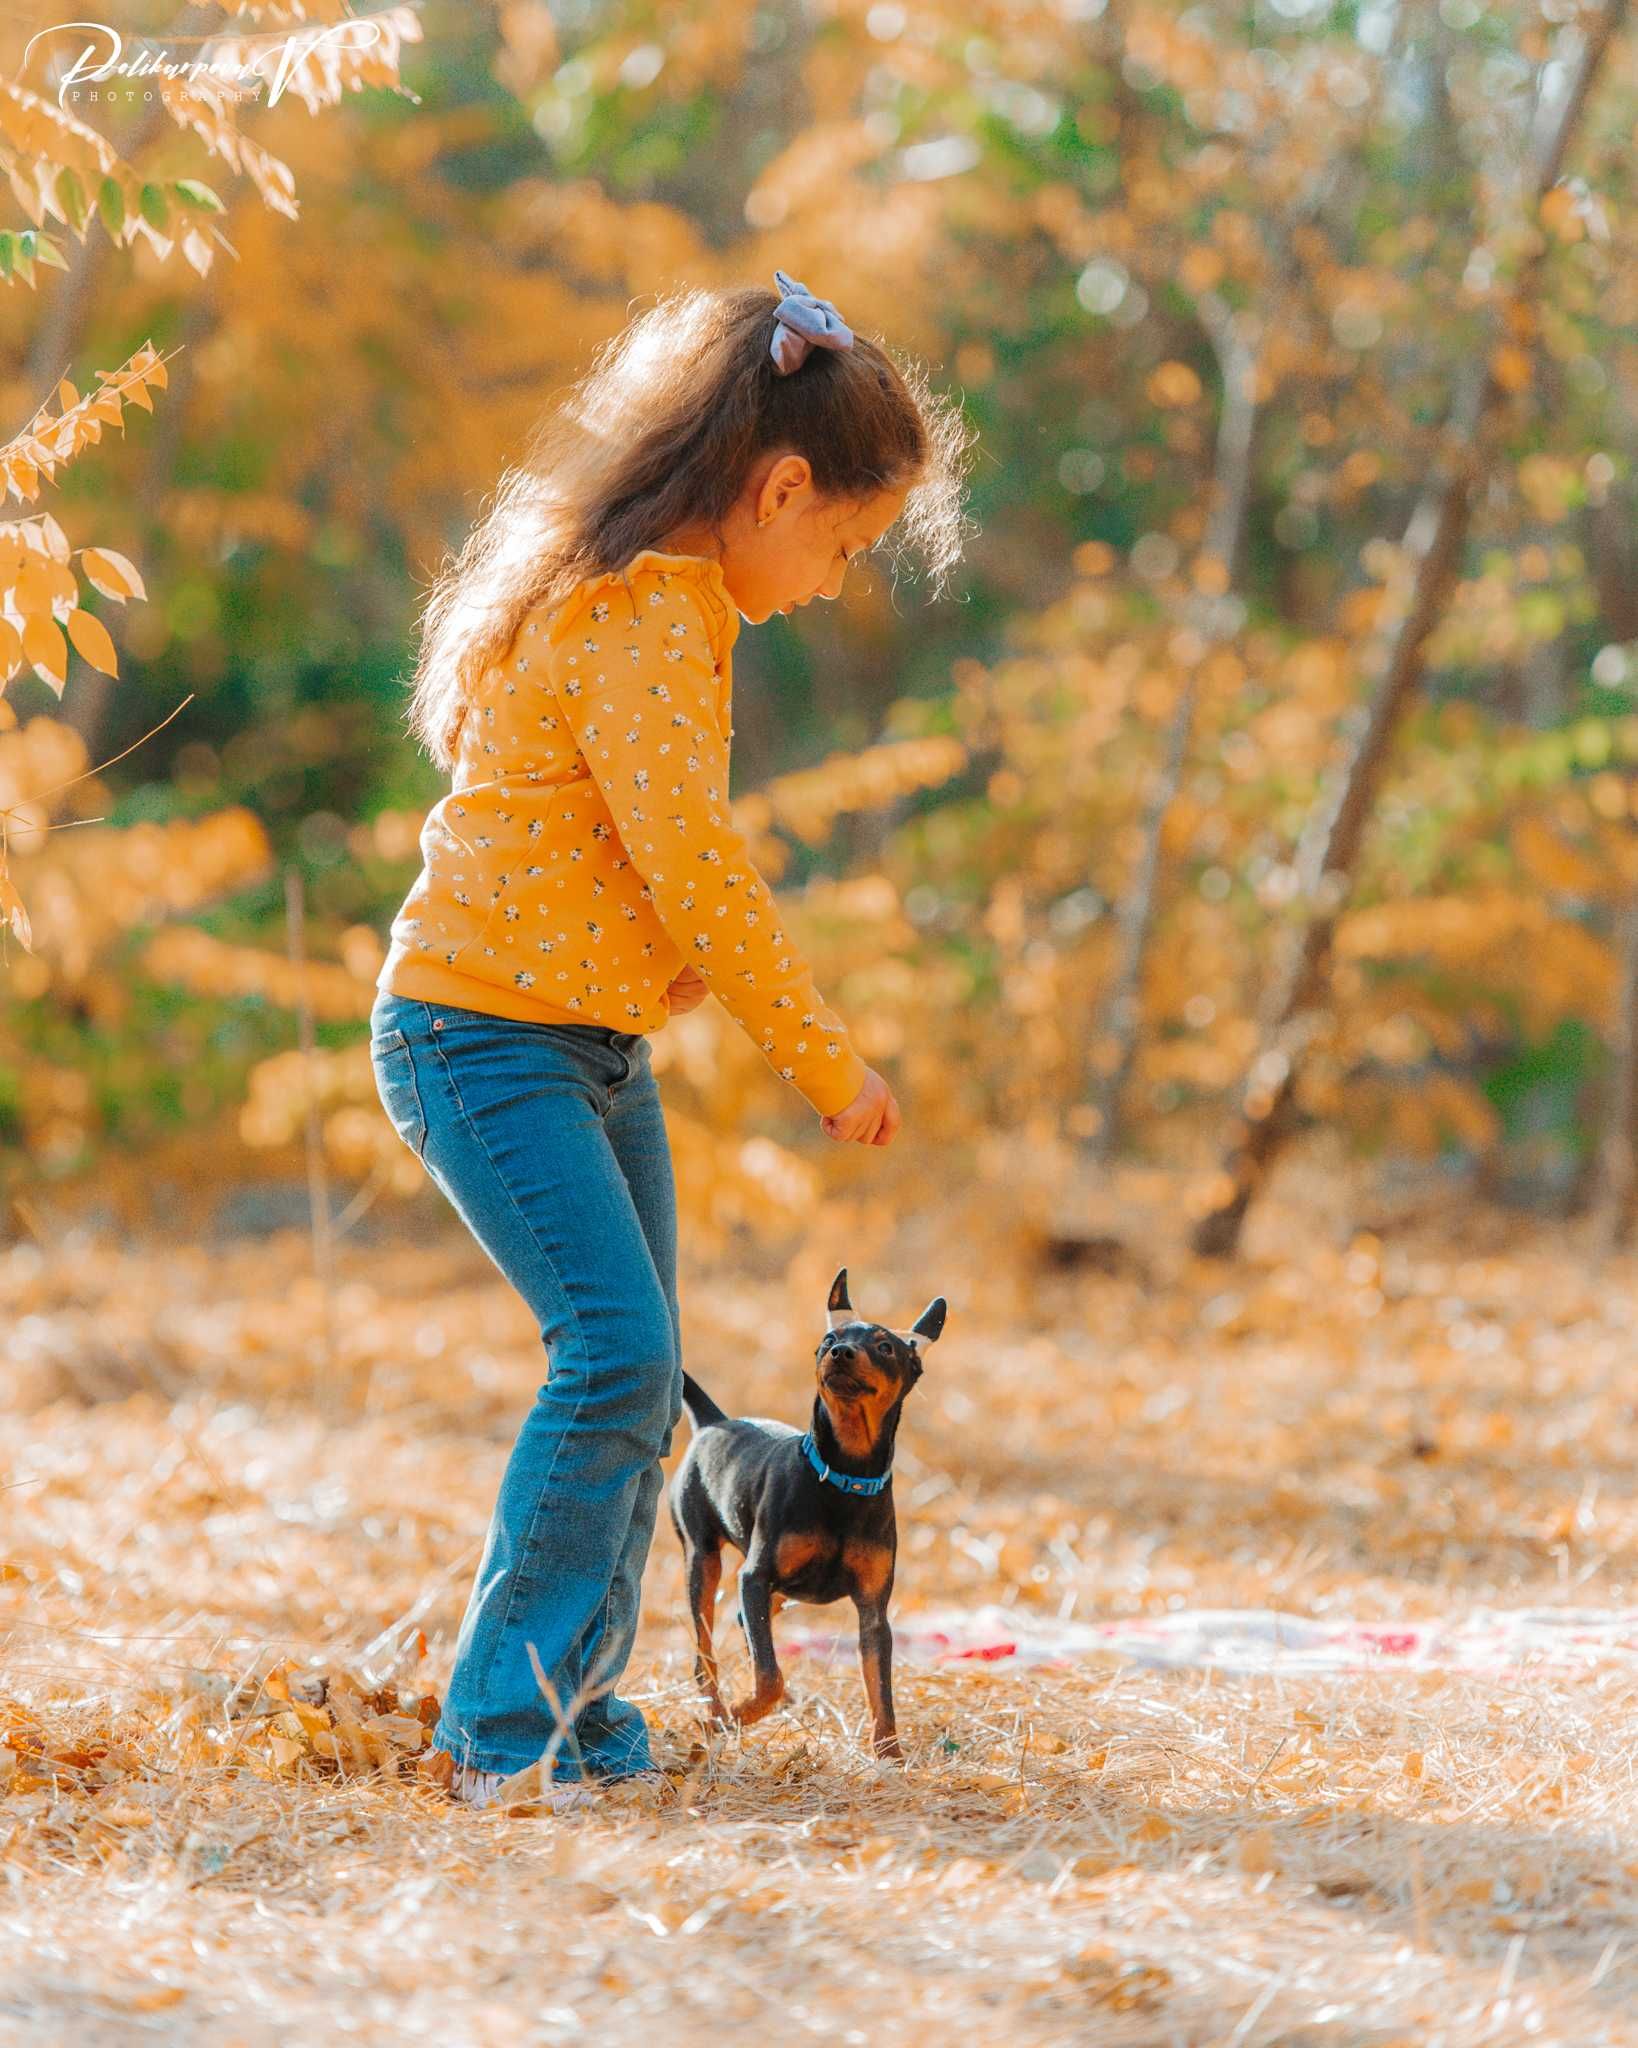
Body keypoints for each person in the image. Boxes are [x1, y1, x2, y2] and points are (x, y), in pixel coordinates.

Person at [368, 269, 970, 1809]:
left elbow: (643, 861)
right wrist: (822, 1056)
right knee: (620, 1362)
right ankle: (504, 1730)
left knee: (638, 1385)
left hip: (584, 1049)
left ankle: (578, 1718)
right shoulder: (638, 612)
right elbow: (695, 866)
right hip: (481, 1038)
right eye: (840, 542)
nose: (837, 579)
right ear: (774, 488)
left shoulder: (667, 604)